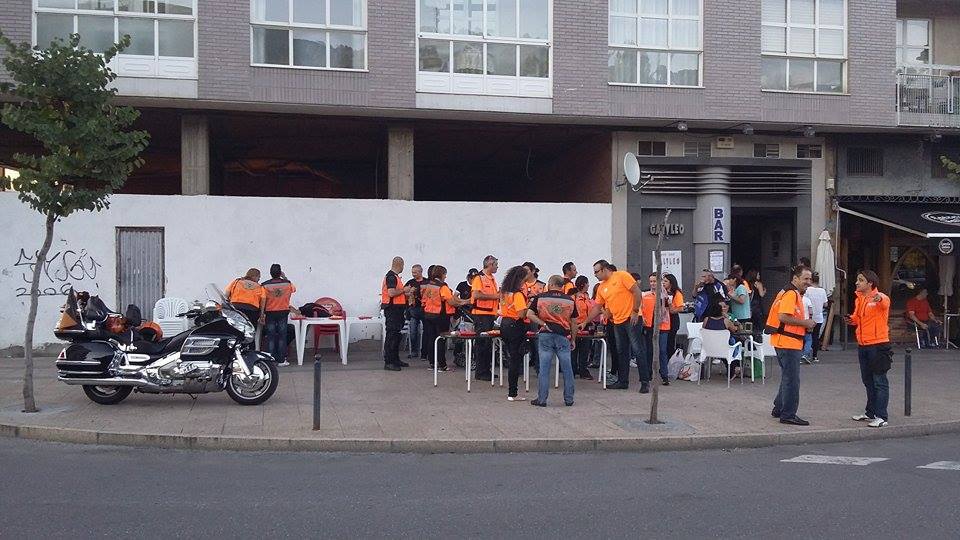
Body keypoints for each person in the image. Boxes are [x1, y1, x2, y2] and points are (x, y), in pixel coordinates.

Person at [581, 260, 647, 392]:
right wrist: (585, 321)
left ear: (605, 269)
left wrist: (635, 311)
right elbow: (597, 307)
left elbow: (637, 292)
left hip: (631, 318)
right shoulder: (601, 287)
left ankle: (644, 382)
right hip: (617, 321)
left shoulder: (622, 276)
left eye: (596, 272)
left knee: (638, 349)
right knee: (621, 351)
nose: (595, 275)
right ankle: (622, 381)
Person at [766, 265, 816, 426]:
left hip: (784, 340)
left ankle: (779, 408)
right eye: (805, 278)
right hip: (788, 342)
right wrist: (805, 323)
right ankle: (788, 414)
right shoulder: (791, 294)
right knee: (792, 380)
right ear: (795, 278)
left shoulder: (788, 292)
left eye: (810, 279)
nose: (808, 282)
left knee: (787, 377)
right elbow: (783, 317)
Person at [846, 270, 892, 428]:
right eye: (857, 279)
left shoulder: (879, 297)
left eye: (861, 280)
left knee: (880, 381)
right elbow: (858, 318)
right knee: (868, 380)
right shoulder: (859, 299)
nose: (857, 282)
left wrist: (879, 298)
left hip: (878, 345)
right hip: (863, 344)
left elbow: (884, 302)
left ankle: (882, 416)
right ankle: (870, 412)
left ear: (870, 283)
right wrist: (851, 320)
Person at [529, 275, 579, 407]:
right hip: (563, 336)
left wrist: (543, 324)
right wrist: (573, 339)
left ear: (550, 284)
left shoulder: (540, 297)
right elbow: (574, 322)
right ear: (562, 286)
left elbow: (529, 314)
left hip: (546, 335)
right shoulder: (570, 300)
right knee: (567, 369)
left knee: (544, 369)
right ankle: (569, 399)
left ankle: (542, 399)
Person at [499, 265, 547, 402]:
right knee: (515, 359)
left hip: (505, 324)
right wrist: (529, 308)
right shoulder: (518, 294)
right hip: (516, 325)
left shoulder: (505, 292)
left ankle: (512, 392)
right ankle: (512, 393)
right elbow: (521, 314)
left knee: (511, 357)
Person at [420, 265, 469, 372]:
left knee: (431, 339)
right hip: (440, 316)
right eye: (445, 274)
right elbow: (451, 301)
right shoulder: (442, 287)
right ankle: (442, 365)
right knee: (441, 340)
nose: (446, 276)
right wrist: (465, 302)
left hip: (428, 314)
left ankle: (432, 363)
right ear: (441, 274)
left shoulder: (429, 285)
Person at [470, 255, 500, 381]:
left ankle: (486, 370)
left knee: (487, 343)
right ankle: (481, 372)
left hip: (489, 315)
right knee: (482, 343)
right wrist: (495, 296)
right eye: (496, 264)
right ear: (490, 264)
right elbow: (476, 295)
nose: (497, 267)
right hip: (481, 315)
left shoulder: (491, 278)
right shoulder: (479, 278)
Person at [261, 264, 296, 367]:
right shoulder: (287, 284)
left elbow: (263, 300)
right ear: (280, 273)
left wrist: (262, 313)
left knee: (270, 336)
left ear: (270, 273)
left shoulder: (265, 285)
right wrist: (285, 277)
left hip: (270, 312)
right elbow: (294, 289)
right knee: (282, 336)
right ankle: (281, 360)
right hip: (283, 312)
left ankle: (271, 360)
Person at [381, 256, 412, 371]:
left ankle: (395, 359)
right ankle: (389, 362)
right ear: (400, 264)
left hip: (397, 310)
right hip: (392, 310)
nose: (403, 267)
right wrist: (404, 290)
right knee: (392, 335)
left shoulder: (395, 277)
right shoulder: (391, 277)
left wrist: (406, 294)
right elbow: (391, 293)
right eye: (403, 265)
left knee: (397, 335)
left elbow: (396, 293)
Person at [641, 273, 672, 385]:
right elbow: (641, 308)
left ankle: (664, 375)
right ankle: (648, 374)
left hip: (663, 326)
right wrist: (643, 319)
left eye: (655, 281)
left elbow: (669, 309)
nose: (653, 283)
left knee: (662, 351)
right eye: (651, 281)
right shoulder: (645, 294)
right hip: (649, 326)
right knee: (649, 351)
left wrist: (667, 301)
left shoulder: (665, 295)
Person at [702, 298, 742, 378]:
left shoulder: (706, 320)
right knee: (735, 342)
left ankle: (732, 368)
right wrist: (738, 324)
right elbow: (735, 330)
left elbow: (703, 330)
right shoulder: (726, 321)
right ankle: (734, 367)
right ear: (720, 311)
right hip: (723, 348)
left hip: (709, 348)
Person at [452, 268, 479, 364]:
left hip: (474, 312)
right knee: (462, 334)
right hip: (463, 313)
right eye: (472, 278)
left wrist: (465, 302)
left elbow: (474, 299)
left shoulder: (478, 286)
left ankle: (472, 355)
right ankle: (458, 354)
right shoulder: (462, 285)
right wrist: (463, 302)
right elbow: (455, 297)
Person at [571, 275, 594, 380]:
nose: (589, 285)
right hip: (575, 324)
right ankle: (573, 369)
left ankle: (583, 370)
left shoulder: (587, 296)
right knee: (574, 348)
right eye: (587, 283)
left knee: (585, 349)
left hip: (586, 324)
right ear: (583, 284)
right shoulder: (574, 296)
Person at [404, 264, 428, 360]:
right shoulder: (410, 282)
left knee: (426, 331)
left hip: (425, 309)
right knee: (413, 331)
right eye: (412, 272)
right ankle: (414, 351)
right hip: (413, 310)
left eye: (415, 272)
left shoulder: (427, 282)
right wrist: (410, 292)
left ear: (420, 272)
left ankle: (425, 352)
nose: (413, 274)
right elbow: (403, 293)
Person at [803, 273, 828, 362]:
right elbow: (825, 304)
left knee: (806, 336)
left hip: (808, 317)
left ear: (811, 280)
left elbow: (803, 300)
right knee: (815, 336)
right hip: (818, 317)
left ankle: (805, 354)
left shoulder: (808, 290)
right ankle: (815, 356)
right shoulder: (822, 291)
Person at [664, 273, 684, 356]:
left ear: (671, 283)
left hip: (672, 319)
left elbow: (681, 308)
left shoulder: (676, 293)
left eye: (666, 281)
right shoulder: (662, 292)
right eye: (663, 281)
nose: (663, 283)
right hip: (664, 319)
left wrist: (671, 309)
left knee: (670, 342)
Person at [746, 269, 767, 338]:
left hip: (749, 304)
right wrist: (764, 291)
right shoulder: (758, 283)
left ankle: (749, 337)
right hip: (757, 304)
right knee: (759, 322)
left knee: (749, 322)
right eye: (758, 274)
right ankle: (758, 337)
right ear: (755, 275)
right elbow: (761, 294)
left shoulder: (748, 283)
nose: (759, 276)